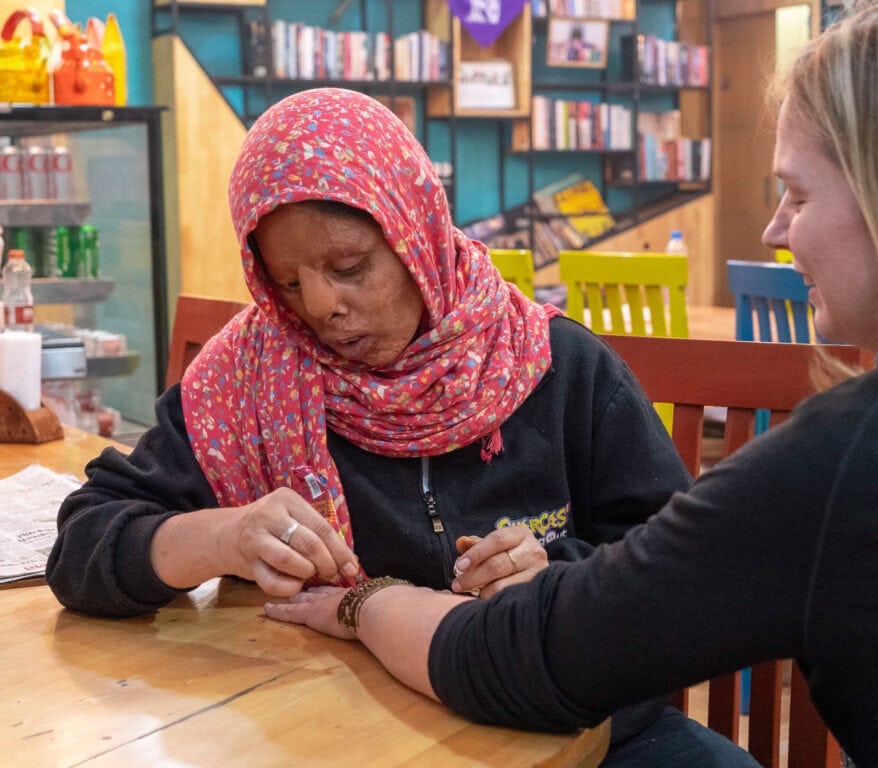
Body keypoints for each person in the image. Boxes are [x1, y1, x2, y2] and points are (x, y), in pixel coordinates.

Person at [261, 1, 878, 765]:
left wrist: (363, 601)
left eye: (797, 193)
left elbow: (534, 654)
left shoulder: (870, 457)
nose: (774, 230)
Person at [45, 88, 758, 766]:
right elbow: (82, 546)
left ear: (414, 233)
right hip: (340, 738)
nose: (323, 307)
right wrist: (219, 534)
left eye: (350, 266)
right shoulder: (247, 377)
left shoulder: (555, 365)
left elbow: (679, 574)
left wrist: (557, 572)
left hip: (580, 733)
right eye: (288, 283)